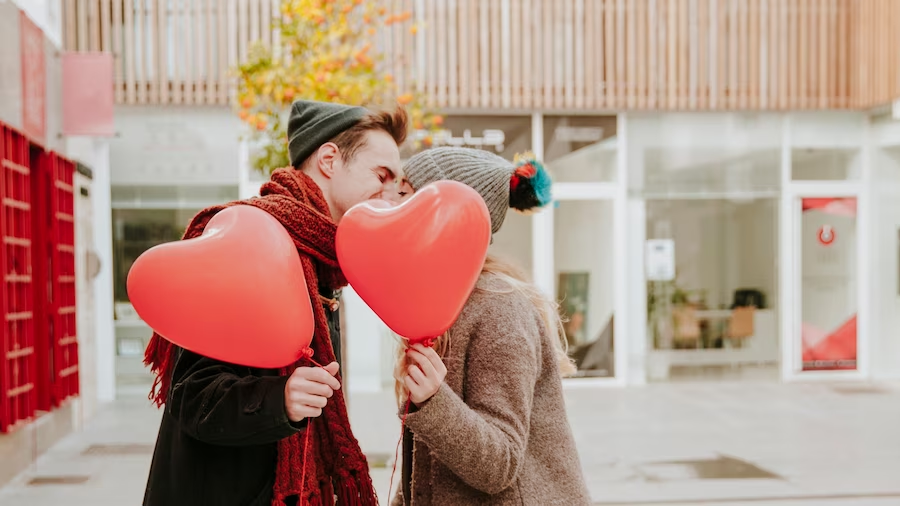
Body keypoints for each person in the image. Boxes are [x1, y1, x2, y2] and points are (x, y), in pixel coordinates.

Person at [142, 100, 408, 506]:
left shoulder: (322, 256)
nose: (391, 196)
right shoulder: (252, 240)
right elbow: (191, 394)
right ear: (330, 159)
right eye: (382, 175)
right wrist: (279, 398)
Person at [390, 147, 592, 505]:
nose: (390, 204)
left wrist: (434, 401)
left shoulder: (500, 309)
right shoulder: (438, 303)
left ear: (445, 213)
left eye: (405, 193)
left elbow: (500, 464)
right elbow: (425, 468)